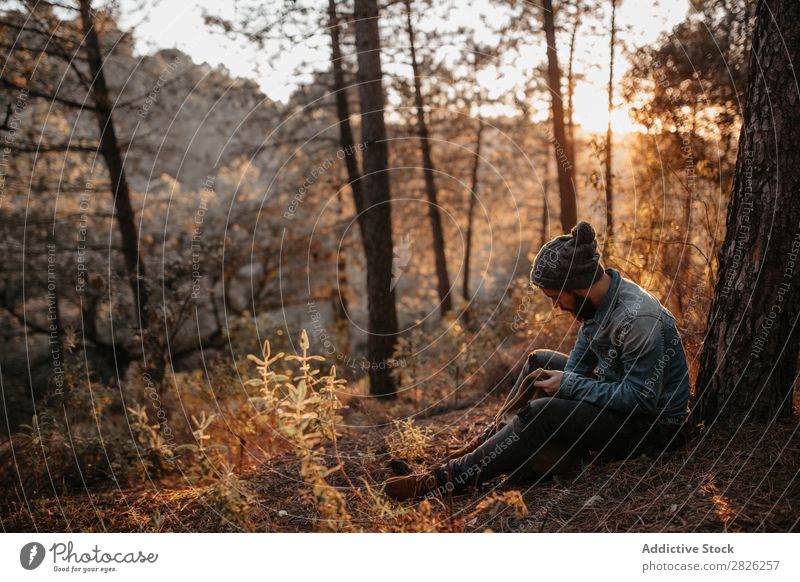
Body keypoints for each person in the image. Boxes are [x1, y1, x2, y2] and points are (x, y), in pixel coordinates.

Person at [384, 221, 692, 500]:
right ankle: (483, 447)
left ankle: (448, 479)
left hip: (652, 427)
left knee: (543, 412)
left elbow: (642, 399)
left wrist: (567, 386)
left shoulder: (638, 319)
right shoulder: (595, 303)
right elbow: (578, 367)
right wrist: (563, 382)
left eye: (555, 296)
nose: (555, 305)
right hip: (619, 400)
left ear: (578, 286)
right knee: (538, 362)